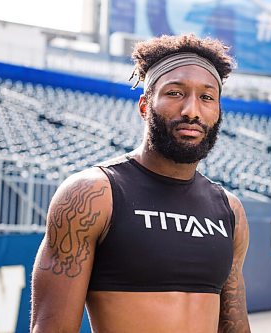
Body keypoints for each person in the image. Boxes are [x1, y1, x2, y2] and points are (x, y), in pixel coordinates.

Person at [30, 33, 250, 333]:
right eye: (175, 93)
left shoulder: (230, 210)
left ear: (218, 112)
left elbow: (235, 325)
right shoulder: (92, 195)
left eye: (207, 97)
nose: (192, 111)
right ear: (145, 106)